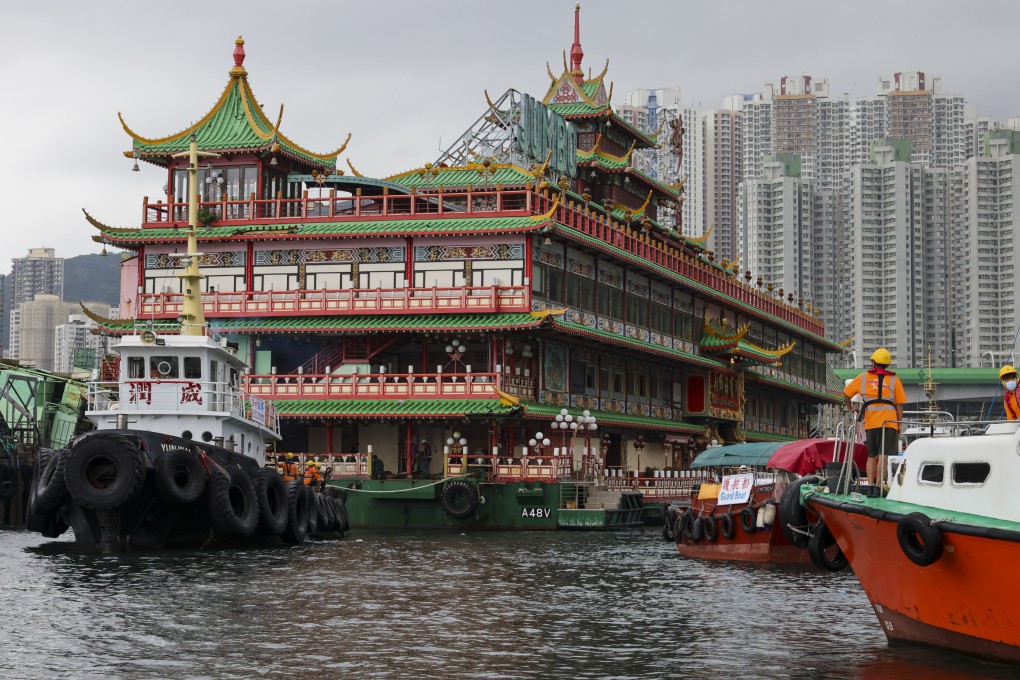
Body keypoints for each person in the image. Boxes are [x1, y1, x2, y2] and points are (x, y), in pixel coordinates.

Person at [843, 348, 907, 489]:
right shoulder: (894, 380)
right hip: (890, 423)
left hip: (871, 422)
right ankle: (878, 486)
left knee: (871, 455)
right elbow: (900, 405)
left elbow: (846, 394)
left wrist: (851, 408)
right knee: (883, 456)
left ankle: (870, 486)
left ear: (873, 362)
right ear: (887, 364)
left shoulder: (863, 377)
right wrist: (899, 425)